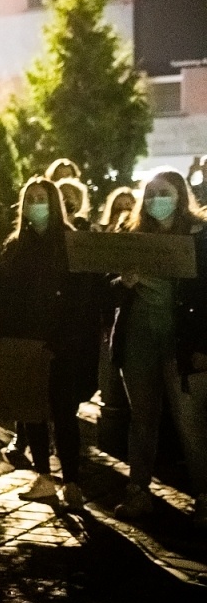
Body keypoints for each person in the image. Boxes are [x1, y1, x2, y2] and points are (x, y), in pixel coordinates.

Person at [0, 178, 96, 499]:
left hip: (59, 344)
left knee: (63, 413)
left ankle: (72, 482)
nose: (35, 205)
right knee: (31, 411)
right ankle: (44, 476)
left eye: (41, 198)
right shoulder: (14, 247)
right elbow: (2, 296)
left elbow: (82, 299)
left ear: (54, 203)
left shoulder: (71, 243)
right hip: (23, 343)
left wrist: (65, 338)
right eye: (30, 199)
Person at [111, 170, 207, 525]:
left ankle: (204, 496)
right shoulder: (133, 235)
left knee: (190, 422)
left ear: (180, 195)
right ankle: (138, 492)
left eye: (162, 193)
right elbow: (108, 285)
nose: (155, 200)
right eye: (149, 194)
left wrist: (202, 345)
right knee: (142, 420)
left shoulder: (200, 236)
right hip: (139, 338)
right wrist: (124, 281)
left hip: (182, 341)